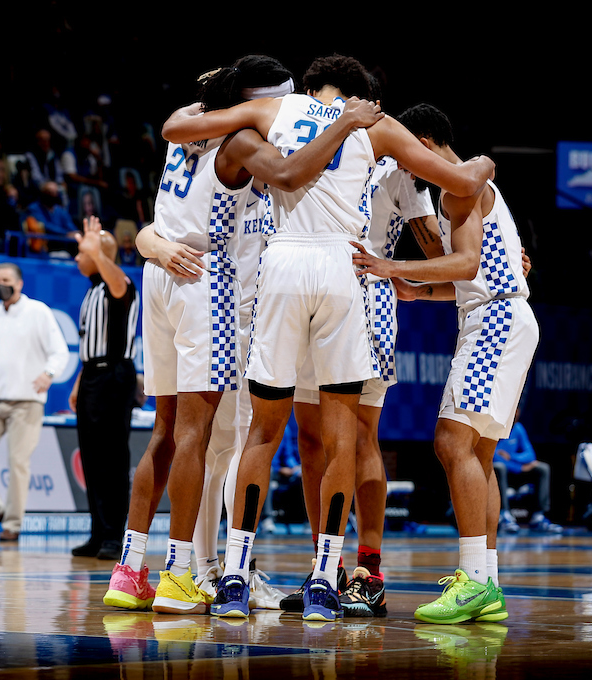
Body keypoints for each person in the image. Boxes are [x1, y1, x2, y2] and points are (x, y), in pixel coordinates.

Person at [162, 55, 495, 622]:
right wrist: (486, 161)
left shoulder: (273, 109)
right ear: (364, 99)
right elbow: (463, 182)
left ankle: (236, 576)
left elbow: (176, 131)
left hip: (284, 268)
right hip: (344, 274)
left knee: (264, 432)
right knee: (343, 438)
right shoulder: (375, 125)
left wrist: (199, 107)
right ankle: (324, 579)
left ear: (311, 88)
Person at [111, 56, 379, 615]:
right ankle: (192, 571)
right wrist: (344, 124)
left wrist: (148, 243)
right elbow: (286, 175)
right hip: (214, 289)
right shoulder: (246, 146)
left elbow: (155, 217)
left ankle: (133, 569)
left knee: (182, 437)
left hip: (168, 276)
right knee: (211, 441)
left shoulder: (190, 127)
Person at [353, 102, 538, 624]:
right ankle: (489, 581)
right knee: (477, 453)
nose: (405, 162)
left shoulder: (459, 187)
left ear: (427, 141)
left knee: (451, 442)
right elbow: (463, 280)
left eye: (409, 151)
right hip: (498, 314)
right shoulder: (459, 188)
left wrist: (393, 264)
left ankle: (474, 580)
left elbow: (467, 264)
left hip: (496, 320)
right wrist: (416, 290)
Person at [285, 153, 441, 618]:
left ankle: (369, 573)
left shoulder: (398, 168)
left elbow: (437, 244)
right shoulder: (312, 145)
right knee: (310, 439)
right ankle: (324, 567)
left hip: (366, 298)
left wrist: (495, 254)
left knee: (358, 437)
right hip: (310, 293)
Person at [0, 263, 69, 542]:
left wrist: (49, 374)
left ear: (20, 283)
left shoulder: (38, 311)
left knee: (18, 461)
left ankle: (12, 524)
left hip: (27, 402)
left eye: (6, 279)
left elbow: (60, 352)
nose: (1, 283)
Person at [69, 216, 139, 561]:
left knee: (112, 459)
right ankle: (98, 532)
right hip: (92, 377)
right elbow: (88, 345)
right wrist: (79, 384)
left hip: (114, 377)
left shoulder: (118, 282)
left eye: (80, 253)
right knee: (93, 459)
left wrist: (96, 252)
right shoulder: (93, 290)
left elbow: (120, 286)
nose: (76, 259)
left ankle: (114, 535)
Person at [493, 413, 563, 533]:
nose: (515, 413)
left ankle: (538, 516)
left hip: (514, 467)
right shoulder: (493, 428)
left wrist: (512, 457)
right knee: (499, 467)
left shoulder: (518, 428)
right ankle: (504, 515)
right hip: (498, 471)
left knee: (542, 468)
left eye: (517, 410)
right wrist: (520, 468)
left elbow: (530, 455)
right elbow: (494, 456)